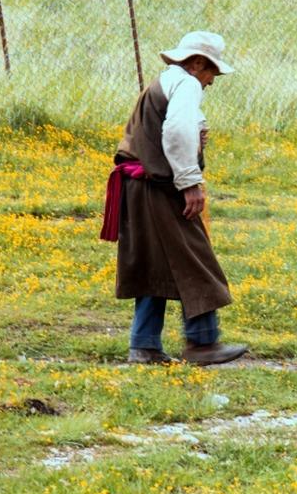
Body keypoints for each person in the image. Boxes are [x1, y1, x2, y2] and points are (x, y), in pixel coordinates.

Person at [101, 30, 248, 365]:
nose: (212, 81)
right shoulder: (187, 84)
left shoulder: (166, 83)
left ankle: (145, 345)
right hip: (160, 189)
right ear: (197, 64)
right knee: (196, 260)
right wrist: (190, 183)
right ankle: (202, 343)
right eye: (212, 72)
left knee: (158, 263)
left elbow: (174, 128)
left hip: (142, 189)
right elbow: (176, 133)